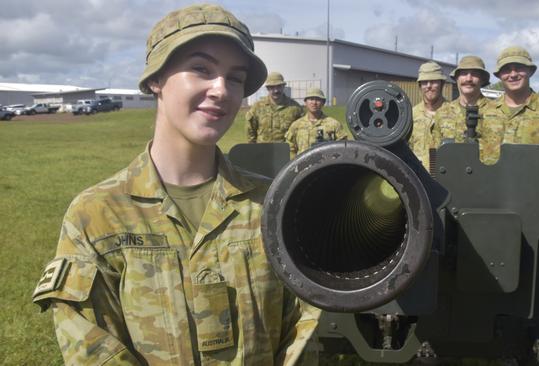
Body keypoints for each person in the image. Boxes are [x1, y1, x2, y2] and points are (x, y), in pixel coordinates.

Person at [32, 4, 318, 365]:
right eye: (201, 69)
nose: (221, 90)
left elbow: (303, 325)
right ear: (155, 79)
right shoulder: (97, 216)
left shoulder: (273, 205)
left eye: (235, 78)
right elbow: (93, 347)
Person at [482, 46, 539, 170]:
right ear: (499, 75)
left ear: (530, 71)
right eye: (506, 70)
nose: (513, 74)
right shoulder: (486, 111)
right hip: (490, 187)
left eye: (519, 68)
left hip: (533, 188)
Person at [432, 55, 499, 163]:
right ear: (457, 78)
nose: (468, 79)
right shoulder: (443, 113)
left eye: (474, 74)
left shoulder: (498, 112)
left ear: (482, 79)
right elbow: (435, 155)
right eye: (464, 73)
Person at [285, 87, 349, 158]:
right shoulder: (296, 125)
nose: (314, 103)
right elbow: (290, 149)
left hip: (325, 165)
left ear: (323, 103)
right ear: (305, 102)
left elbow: (343, 148)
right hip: (303, 166)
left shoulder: (333, 124)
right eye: (311, 99)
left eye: (318, 100)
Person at [408, 61, 447, 170]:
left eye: (434, 81)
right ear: (420, 86)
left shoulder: (455, 113)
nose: (429, 86)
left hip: (446, 178)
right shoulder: (410, 116)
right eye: (425, 82)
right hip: (418, 180)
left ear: (442, 84)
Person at [246, 72, 303, 143]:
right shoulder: (257, 107)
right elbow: (250, 131)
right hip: (262, 150)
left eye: (279, 86)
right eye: (272, 87)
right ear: (267, 88)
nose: (276, 90)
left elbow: (301, 132)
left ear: (283, 86)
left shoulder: (295, 108)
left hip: (285, 151)